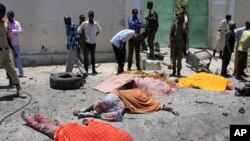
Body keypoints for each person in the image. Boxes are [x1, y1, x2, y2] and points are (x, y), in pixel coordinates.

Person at [73, 81, 179, 122]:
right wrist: (171, 109)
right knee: (116, 115)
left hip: (117, 96)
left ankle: (86, 111)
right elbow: (161, 106)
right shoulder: (150, 100)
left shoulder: (131, 90)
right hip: (123, 104)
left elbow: (121, 87)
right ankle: (91, 115)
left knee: (99, 103)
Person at [21, 111, 134, 141]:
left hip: (73, 131)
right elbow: (105, 129)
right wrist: (90, 123)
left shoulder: (127, 136)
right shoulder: (126, 137)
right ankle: (37, 118)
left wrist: (89, 122)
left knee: (51, 128)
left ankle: (32, 120)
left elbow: (106, 128)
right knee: (54, 127)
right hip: (74, 131)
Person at [0, 3, 26, 98]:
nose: (2, 15)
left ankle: (19, 89)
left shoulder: (5, 24)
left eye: (3, 13)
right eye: (0, 13)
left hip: (6, 52)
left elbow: (8, 39)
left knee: (12, 71)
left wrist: (13, 50)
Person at [7, 10, 24, 77]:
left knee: (18, 59)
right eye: (7, 15)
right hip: (8, 45)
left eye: (9, 15)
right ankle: (10, 75)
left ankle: (21, 73)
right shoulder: (6, 23)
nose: (8, 17)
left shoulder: (17, 23)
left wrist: (12, 31)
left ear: (13, 16)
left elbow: (20, 31)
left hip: (16, 44)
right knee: (9, 60)